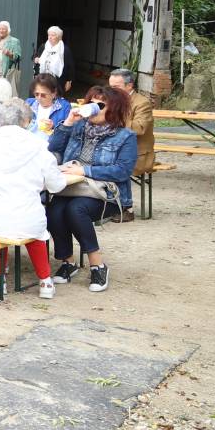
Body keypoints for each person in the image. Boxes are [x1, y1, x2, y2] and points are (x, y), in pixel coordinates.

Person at [0, 99, 63, 299]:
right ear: (26, 120)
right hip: (28, 215)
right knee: (36, 231)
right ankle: (45, 281)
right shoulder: (38, 146)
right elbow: (56, 185)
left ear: (0, 121)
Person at [45, 85, 136, 293]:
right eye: (91, 102)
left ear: (114, 109)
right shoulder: (78, 127)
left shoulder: (125, 136)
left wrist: (84, 171)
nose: (94, 107)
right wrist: (68, 123)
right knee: (54, 209)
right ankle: (68, 262)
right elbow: (53, 149)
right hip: (71, 188)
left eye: (100, 104)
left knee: (76, 209)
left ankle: (98, 265)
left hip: (106, 193)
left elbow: (123, 171)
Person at [108, 68, 153, 221]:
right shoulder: (109, 100)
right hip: (113, 147)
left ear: (129, 86)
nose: (111, 91)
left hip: (138, 153)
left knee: (116, 164)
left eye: (116, 87)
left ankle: (126, 208)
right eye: (110, 87)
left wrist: (114, 118)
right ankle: (101, 205)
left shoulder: (142, 103)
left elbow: (140, 128)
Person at [25, 73, 70, 140]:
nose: (39, 98)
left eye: (43, 95)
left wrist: (53, 126)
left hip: (51, 147)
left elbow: (69, 131)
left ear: (54, 93)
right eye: (36, 94)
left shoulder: (64, 107)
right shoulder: (29, 103)